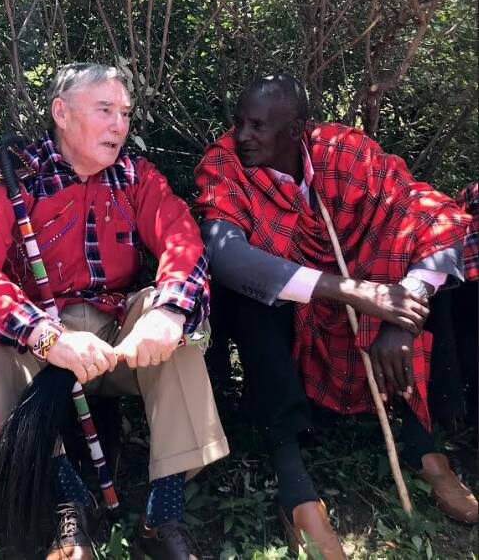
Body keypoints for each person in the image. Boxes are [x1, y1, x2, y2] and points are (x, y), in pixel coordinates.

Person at [0, 63, 229, 560]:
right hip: (45, 347)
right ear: (62, 113)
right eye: (105, 111)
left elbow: (182, 239)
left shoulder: (137, 176)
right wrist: (46, 336)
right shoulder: (17, 177)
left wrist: (168, 315)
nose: (120, 124)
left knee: (178, 317)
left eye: (124, 113)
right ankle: (63, 500)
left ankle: (163, 512)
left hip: (115, 342)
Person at [194, 73, 476, 559]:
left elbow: (429, 212)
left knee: (424, 266)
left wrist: (399, 311)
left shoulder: (343, 152)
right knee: (250, 295)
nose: (242, 135)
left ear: (298, 128)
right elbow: (227, 256)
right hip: (301, 308)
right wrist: (354, 293)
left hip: (363, 293)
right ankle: (293, 479)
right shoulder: (224, 165)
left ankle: (421, 443)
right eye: (239, 122)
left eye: (258, 126)